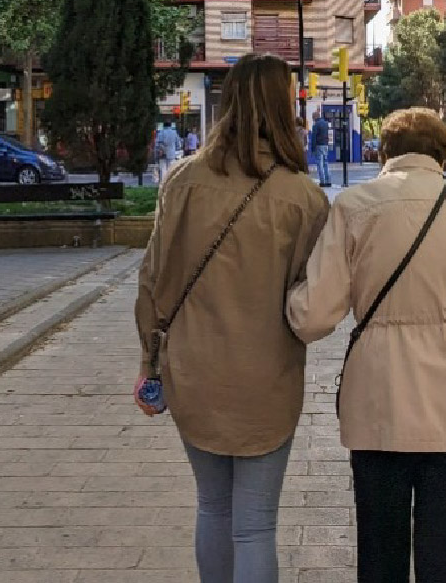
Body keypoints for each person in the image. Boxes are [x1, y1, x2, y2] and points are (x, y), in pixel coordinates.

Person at [286, 108, 446, 583]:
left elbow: (312, 316)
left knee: (380, 560)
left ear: (385, 153)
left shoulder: (354, 206)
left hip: (380, 410)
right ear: (445, 156)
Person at [134, 54, 329, 583]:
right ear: (283, 107)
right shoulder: (303, 198)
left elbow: (153, 280)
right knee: (255, 527)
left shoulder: (184, 182)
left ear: (228, 104)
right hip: (266, 375)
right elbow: (312, 301)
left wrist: (150, 359)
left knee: (213, 508)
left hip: (193, 370)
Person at [309, 110, 331, 188]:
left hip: (319, 145)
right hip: (325, 145)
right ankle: (328, 181)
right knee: (326, 163)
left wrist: (312, 149)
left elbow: (314, 137)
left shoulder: (316, 125)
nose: (312, 119)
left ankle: (322, 182)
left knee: (319, 164)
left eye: (313, 117)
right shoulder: (325, 124)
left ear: (315, 117)